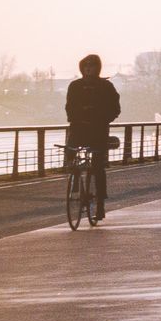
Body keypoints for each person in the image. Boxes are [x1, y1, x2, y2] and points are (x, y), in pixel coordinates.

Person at [65, 54, 121, 220]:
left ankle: (100, 205)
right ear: (82, 68)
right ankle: (74, 177)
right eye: (86, 66)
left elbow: (115, 107)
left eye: (92, 66)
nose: (88, 69)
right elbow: (69, 106)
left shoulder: (106, 86)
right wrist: (74, 118)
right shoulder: (75, 86)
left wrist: (105, 119)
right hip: (79, 128)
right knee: (70, 151)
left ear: (98, 68)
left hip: (98, 130)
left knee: (98, 166)